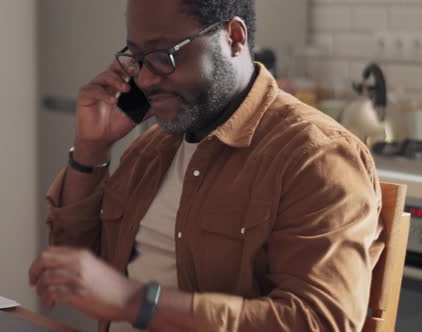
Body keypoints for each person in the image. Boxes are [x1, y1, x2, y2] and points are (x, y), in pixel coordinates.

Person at [29, 0, 384, 331]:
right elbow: (74, 269)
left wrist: (134, 302)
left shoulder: (316, 157)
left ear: (234, 38)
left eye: (164, 55)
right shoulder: (151, 150)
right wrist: (92, 148)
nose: (145, 79)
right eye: (137, 58)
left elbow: (320, 320)